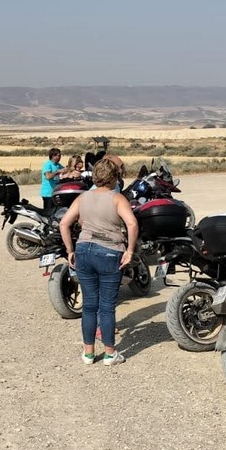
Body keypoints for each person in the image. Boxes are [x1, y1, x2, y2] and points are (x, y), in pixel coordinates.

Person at [59, 155, 137, 367]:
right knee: (107, 306)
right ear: (114, 177)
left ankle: (88, 353)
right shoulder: (117, 198)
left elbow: (64, 224)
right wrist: (129, 251)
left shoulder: (82, 198)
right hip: (110, 252)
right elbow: (131, 224)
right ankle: (110, 354)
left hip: (84, 251)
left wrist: (70, 250)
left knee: (89, 306)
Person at [40, 148, 64, 212]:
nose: (59, 157)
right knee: (48, 213)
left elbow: (65, 170)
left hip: (56, 193)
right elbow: (48, 176)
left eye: (60, 156)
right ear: (53, 156)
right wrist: (57, 172)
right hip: (48, 194)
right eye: (58, 155)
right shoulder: (47, 165)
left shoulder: (58, 165)